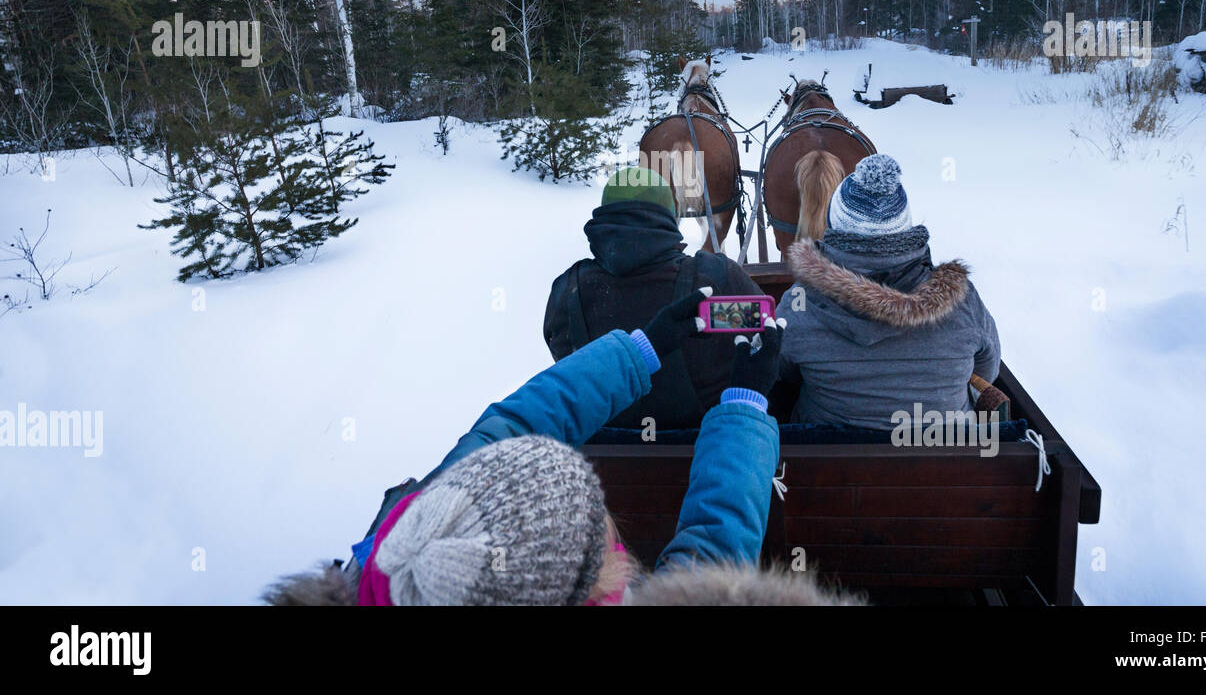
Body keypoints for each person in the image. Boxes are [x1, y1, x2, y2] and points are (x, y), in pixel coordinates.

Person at [262, 293, 848, 605]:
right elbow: (714, 551)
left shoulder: (419, 543)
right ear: (596, 584)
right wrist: (746, 401)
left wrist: (645, 347)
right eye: (601, 531)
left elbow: (513, 426)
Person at [776, 154, 1001, 431]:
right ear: (904, 228)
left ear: (834, 227)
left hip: (829, 462)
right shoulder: (963, 300)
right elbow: (987, 370)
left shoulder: (798, 303)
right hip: (946, 456)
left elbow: (785, 375)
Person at [544, 166, 763, 430]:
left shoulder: (567, 289)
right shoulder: (716, 277)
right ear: (669, 217)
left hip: (604, 456)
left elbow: (563, 359)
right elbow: (767, 338)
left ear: (604, 219)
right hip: (706, 450)